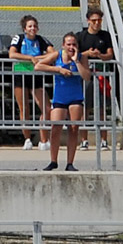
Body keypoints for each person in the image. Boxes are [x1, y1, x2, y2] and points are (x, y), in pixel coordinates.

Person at [38, 31, 86, 171]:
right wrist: (58, 70)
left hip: (75, 96)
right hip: (60, 97)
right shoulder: (58, 55)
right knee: (56, 127)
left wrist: (76, 61)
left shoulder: (82, 57)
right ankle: (53, 160)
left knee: (73, 128)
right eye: (68, 44)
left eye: (74, 44)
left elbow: (86, 75)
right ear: (63, 45)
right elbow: (39, 66)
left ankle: (70, 162)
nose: (71, 47)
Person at [74, 7, 117, 149]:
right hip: (85, 75)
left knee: (102, 108)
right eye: (94, 21)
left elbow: (110, 55)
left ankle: (104, 140)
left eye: (99, 20)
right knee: (85, 108)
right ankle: (84, 140)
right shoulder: (81, 36)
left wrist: (99, 55)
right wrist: (87, 53)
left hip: (101, 75)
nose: (97, 23)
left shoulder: (105, 36)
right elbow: (75, 54)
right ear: (88, 21)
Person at [6, 14, 49, 151]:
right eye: (30, 26)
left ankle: (44, 140)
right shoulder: (19, 38)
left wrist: (37, 58)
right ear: (25, 28)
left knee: (45, 106)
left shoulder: (41, 40)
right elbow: (12, 54)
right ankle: (27, 139)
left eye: (35, 26)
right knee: (24, 107)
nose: (33, 28)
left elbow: (52, 53)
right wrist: (29, 58)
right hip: (20, 73)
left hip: (36, 75)